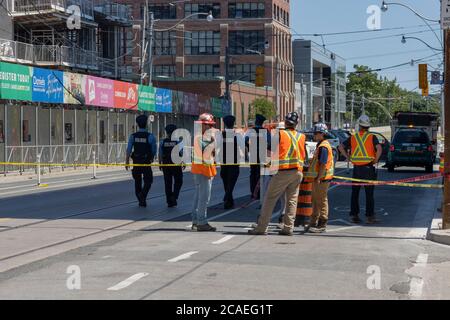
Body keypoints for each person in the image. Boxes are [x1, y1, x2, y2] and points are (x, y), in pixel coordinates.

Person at [249, 112, 306, 236]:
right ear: (296, 124)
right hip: (297, 172)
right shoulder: (301, 136)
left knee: (270, 199)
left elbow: (270, 151)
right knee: (292, 200)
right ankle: (288, 228)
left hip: (283, 172)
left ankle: (262, 227)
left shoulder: (280, 134)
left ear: (285, 122)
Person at [338, 115, 383, 224]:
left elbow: (340, 147)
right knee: (369, 194)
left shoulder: (353, 137)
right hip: (368, 168)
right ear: (368, 126)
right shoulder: (372, 137)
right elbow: (379, 148)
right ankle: (370, 217)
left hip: (357, 169)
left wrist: (348, 158)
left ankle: (354, 215)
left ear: (359, 126)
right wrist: (376, 160)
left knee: (355, 193)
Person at [304, 123, 334, 233]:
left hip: (322, 178)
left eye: (316, 133)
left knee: (321, 200)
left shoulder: (323, 146)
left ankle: (322, 223)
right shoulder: (321, 145)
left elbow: (322, 163)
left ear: (322, 134)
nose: (314, 135)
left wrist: (318, 177)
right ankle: (313, 222)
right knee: (316, 200)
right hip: (320, 178)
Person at [191, 113, 218, 232]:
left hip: (201, 170)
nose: (210, 128)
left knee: (198, 196)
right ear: (202, 125)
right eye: (208, 125)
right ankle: (201, 222)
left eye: (211, 126)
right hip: (203, 171)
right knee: (204, 197)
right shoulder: (201, 138)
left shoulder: (200, 137)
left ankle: (196, 221)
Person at [125, 115, 157, 207]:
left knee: (137, 181)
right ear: (146, 124)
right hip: (146, 162)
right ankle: (142, 195)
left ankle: (141, 199)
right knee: (148, 181)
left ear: (137, 124)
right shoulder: (150, 136)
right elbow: (154, 150)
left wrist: (127, 162)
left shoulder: (133, 136)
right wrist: (152, 157)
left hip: (136, 162)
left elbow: (129, 150)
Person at [220, 115, 242, 209]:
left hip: (224, 161)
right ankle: (227, 197)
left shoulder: (220, 135)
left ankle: (229, 201)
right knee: (231, 181)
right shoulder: (237, 135)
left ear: (224, 124)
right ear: (233, 124)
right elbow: (242, 145)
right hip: (234, 161)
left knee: (226, 181)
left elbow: (217, 146)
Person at [246, 114, 270, 200]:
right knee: (260, 174)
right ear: (262, 123)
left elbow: (245, 140)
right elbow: (270, 143)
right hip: (262, 154)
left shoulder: (251, 131)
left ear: (256, 122)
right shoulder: (265, 131)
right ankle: (259, 193)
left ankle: (253, 192)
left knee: (252, 173)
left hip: (253, 154)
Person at [159, 124, 183, 208]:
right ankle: (174, 197)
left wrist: (160, 163)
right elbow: (181, 153)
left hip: (166, 164)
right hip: (176, 164)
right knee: (179, 181)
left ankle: (169, 201)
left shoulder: (163, 141)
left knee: (167, 182)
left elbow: (160, 153)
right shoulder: (178, 141)